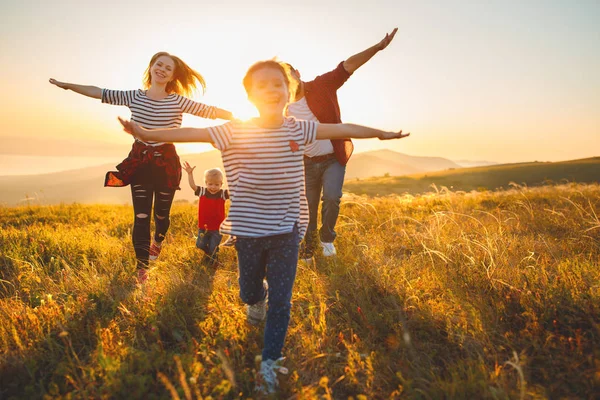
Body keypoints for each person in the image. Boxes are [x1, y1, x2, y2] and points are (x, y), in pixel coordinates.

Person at [118, 59, 409, 394]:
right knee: (250, 291)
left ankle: (270, 363)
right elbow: (188, 132)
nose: (272, 90)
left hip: (288, 229)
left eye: (278, 84)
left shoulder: (297, 128)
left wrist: (379, 133)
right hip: (248, 231)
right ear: (250, 95)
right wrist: (145, 133)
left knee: (282, 302)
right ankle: (256, 301)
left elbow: (342, 129)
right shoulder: (232, 131)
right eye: (263, 85)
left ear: (289, 92)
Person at [49, 51, 234, 283]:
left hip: (166, 163)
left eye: (168, 68)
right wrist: (67, 85)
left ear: (172, 76)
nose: (162, 70)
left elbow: (208, 111)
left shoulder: (177, 100)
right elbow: (100, 92)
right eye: (159, 65)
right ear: (151, 67)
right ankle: (142, 268)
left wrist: (239, 118)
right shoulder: (134, 97)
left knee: (162, 216)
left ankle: (158, 241)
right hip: (140, 162)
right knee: (142, 216)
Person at [285, 28, 398, 260]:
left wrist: (377, 47)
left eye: (289, 75)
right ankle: (308, 248)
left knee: (332, 197)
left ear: (297, 73)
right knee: (307, 208)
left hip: (332, 159)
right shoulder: (283, 108)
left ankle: (326, 239)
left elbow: (346, 67)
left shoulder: (321, 85)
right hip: (305, 164)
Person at [182, 161, 229, 266]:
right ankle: (209, 255)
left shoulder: (222, 194)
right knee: (200, 244)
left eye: (217, 184)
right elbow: (193, 186)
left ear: (221, 184)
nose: (213, 187)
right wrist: (190, 174)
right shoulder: (202, 191)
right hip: (204, 226)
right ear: (206, 183)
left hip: (217, 228)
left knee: (214, 247)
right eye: (210, 184)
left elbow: (233, 191)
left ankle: (213, 262)